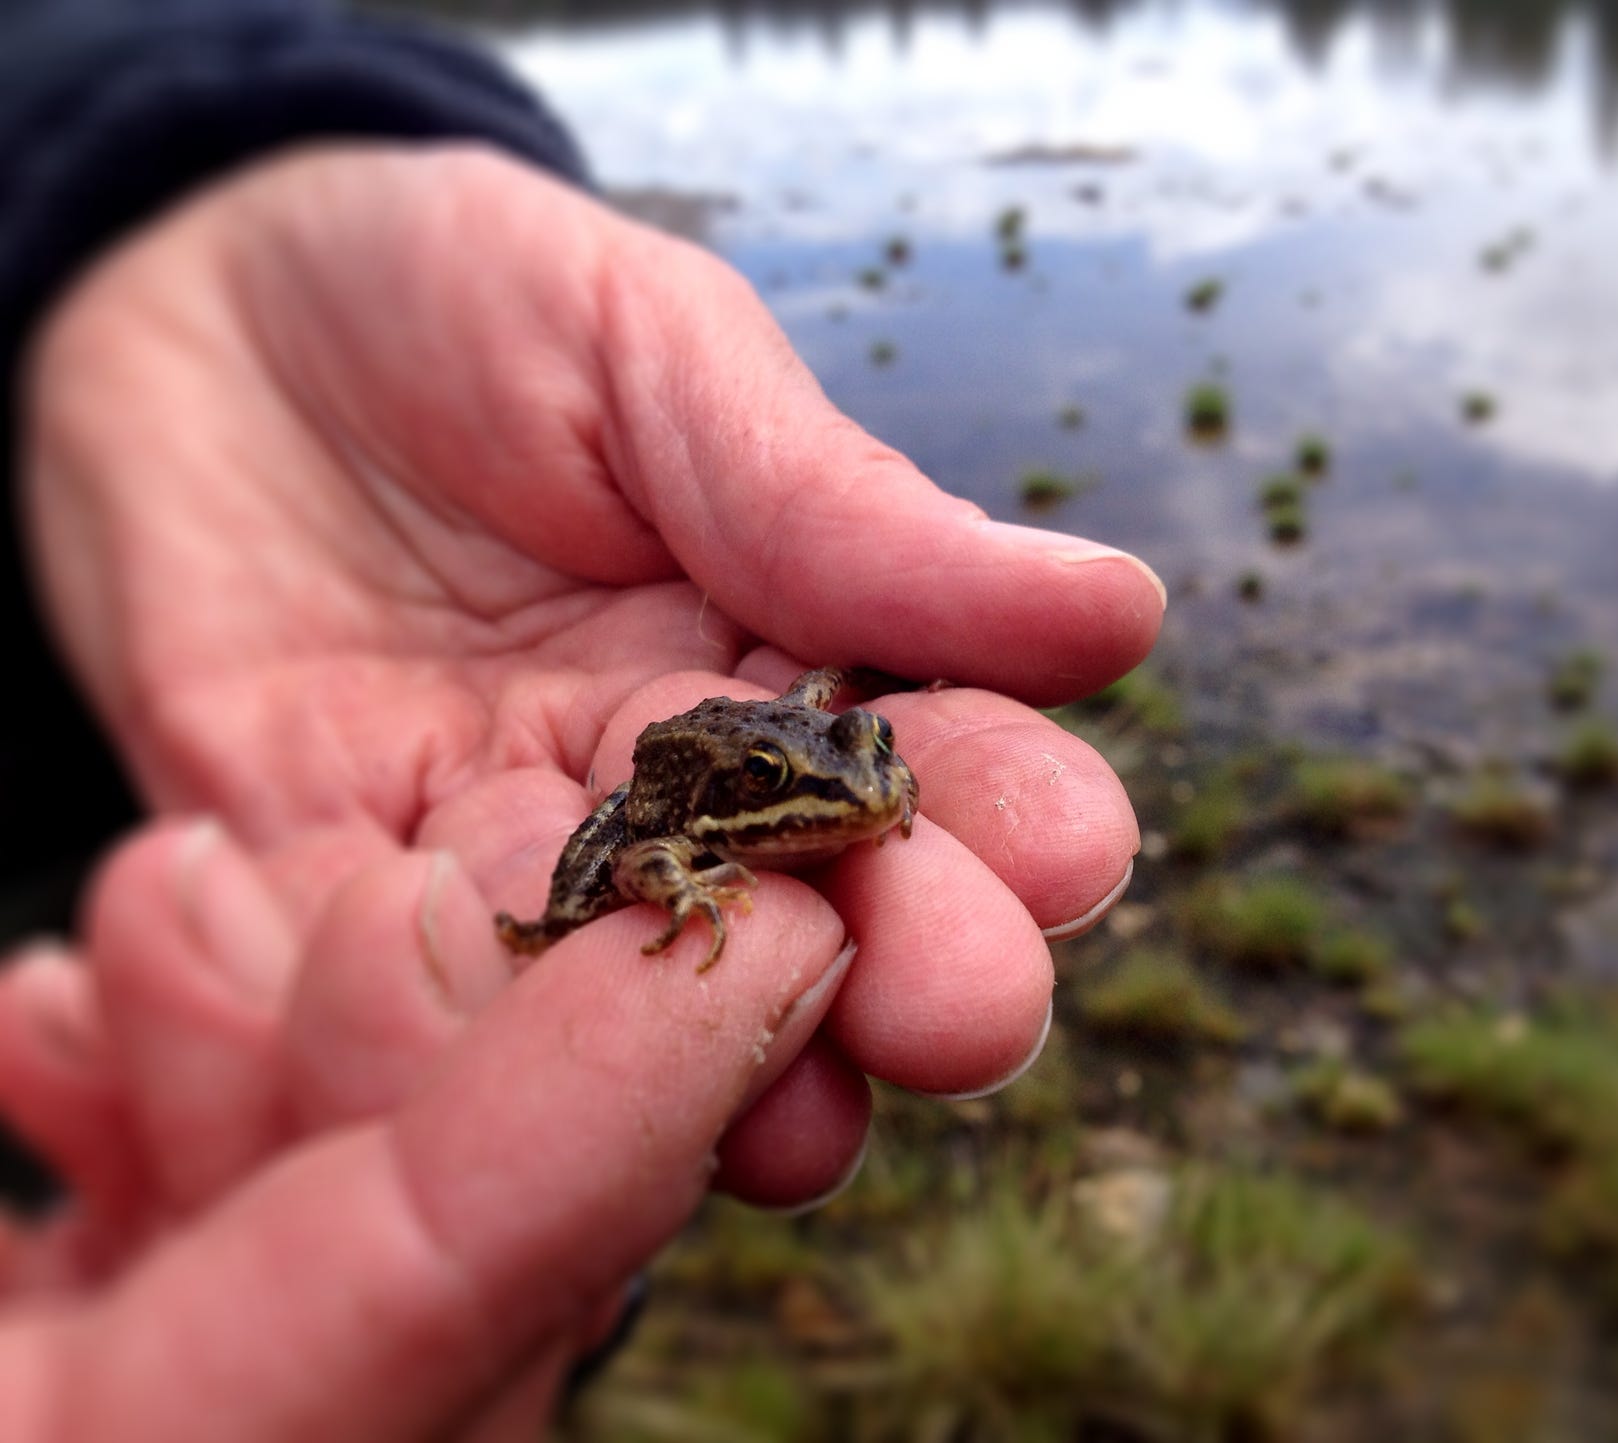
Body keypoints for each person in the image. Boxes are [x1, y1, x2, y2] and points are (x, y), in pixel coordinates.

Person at [0, 3, 1164, 1437]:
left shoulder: (844, 761)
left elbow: (846, 736)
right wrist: (680, 870)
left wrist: (211, 175)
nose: (868, 795)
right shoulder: (703, 797)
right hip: (656, 777)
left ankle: (554, 1327)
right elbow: (633, 848)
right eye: (839, 777)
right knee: (521, 996)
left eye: (874, 772)